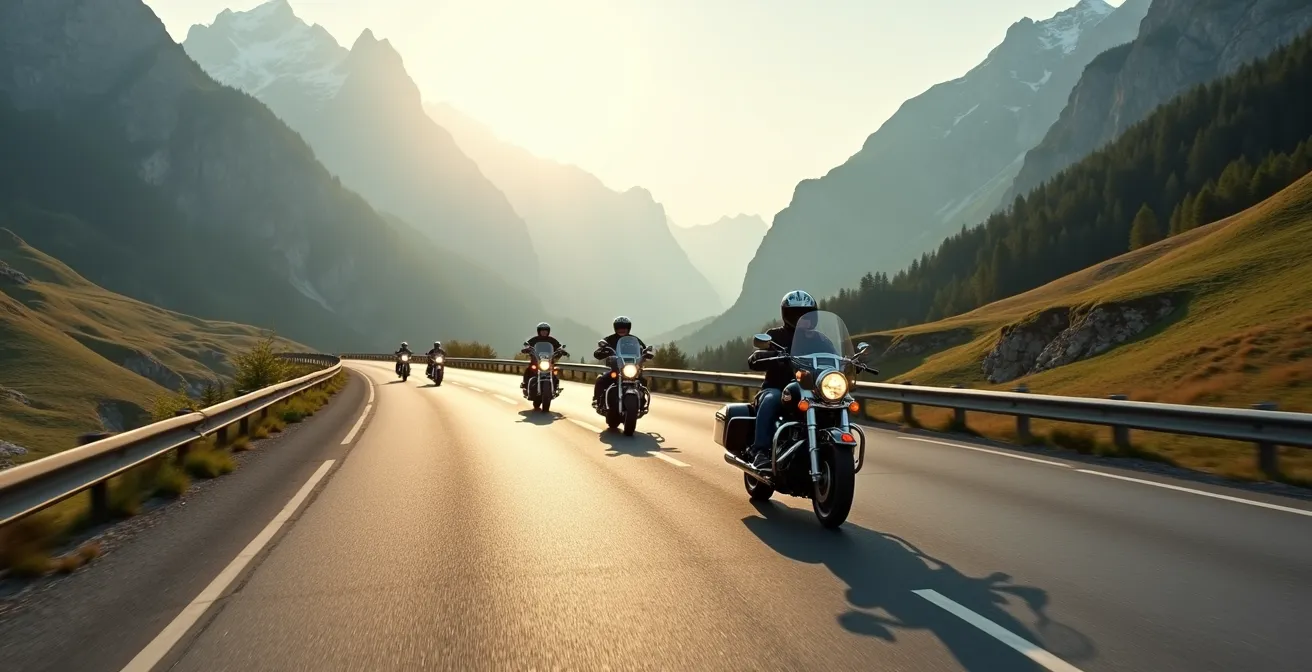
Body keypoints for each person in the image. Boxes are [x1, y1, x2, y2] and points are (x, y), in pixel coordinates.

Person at [745, 290, 820, 470]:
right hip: (777, 388)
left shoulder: (819, 339)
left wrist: (849, 362)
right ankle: (760, 451)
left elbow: (834, 356)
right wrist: (762, 356)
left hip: (811, 390)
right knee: (771, 400)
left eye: (807, 315)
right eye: (797, 314)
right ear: (787, 315)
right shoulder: (775, 336)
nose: (803, 319)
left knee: (838, 401)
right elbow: (756, 357)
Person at [593, 316, 647, 408]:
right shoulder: (609, 339)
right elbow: (598, 352)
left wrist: (646, 354)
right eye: (619, 327)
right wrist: (601, 352)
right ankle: (597, 400)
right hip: (615, 368)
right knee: (601, 380)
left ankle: (642, 401)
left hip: (632, 368)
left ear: (628, 328)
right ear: (615, 328)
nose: (621, 329)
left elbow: (644, 350)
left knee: (642, 380)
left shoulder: (635, 340)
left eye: (624, 327)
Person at [521, 322, 563, 390]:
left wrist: (561, 351)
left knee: (555, 372)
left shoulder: (552, 340)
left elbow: (559, 347)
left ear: (548, 331)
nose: (544, 332)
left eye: (546, 330)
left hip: (548, 361)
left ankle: (555, 387)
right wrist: (527, 349)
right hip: (536, 361)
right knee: (529, 370)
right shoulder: (534, 340)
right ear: (539, 331)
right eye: (542, 330)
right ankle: (525, 384)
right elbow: (528, 345)